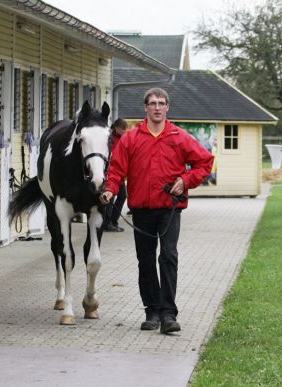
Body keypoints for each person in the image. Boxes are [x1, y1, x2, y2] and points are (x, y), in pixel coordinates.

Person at [101, 88, 214, 334]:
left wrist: (186, 180)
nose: (157, 107)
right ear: (145, 108)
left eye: (161, 103)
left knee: (169, 256)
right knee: (145, 261)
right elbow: (117, 170)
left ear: (167, 108)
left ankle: (168, 314)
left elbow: (205, 162)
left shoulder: (178, 136)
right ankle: (151, 311)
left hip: (170, 209)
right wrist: (110, 190)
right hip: (141, 209)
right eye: (152, 103)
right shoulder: (131, 139)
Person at [102, 118, 129, 232]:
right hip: (110, 173)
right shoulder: (109, 138)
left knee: (122, 196)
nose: (124, 132)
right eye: (122, 130)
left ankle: (113, 221)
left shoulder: (122, 138)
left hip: (120, 174)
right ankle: (108, 223)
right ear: (117, 128)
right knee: (111, 197)